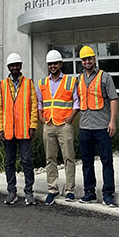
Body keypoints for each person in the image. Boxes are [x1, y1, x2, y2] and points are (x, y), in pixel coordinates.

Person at [77, 45, 118, 207]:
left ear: (94, 59)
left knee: (106, 161)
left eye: (89, 58)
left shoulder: (105, 77)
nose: (87, 62)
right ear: (81, 61)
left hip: (102, 126)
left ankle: (108, 194)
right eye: (84, 59)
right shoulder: (78, 79)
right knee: (87, 162)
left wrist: (112, 121)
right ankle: (89, 192)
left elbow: (113, 99)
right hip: (85, 127)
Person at [0, 52, 38, 205]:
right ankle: (11, 191)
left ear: (20, 66)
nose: (14, 68)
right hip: (7, 131)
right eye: (12, 65)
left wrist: (33, 125)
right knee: (9, 162)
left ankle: (29, 192)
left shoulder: (28, 83)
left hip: (25, 130)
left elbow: (33, 106)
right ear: (8, 67)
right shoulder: (2, 85)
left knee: (27, 161)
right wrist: (0, 128)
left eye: (16, 65)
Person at [37, 49, 79, 205]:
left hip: (64, 125)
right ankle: (52, 189)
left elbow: (76, 102)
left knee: (69, 158)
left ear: (60, 64)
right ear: (48, 66)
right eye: (50, 64)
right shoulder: (42, 83)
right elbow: (40, 102)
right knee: (50, 158)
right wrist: (40, 116)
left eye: (55, 63)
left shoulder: (69, 81)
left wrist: (71, 117)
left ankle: (69, 191)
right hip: (48, 124)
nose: (53, 66)